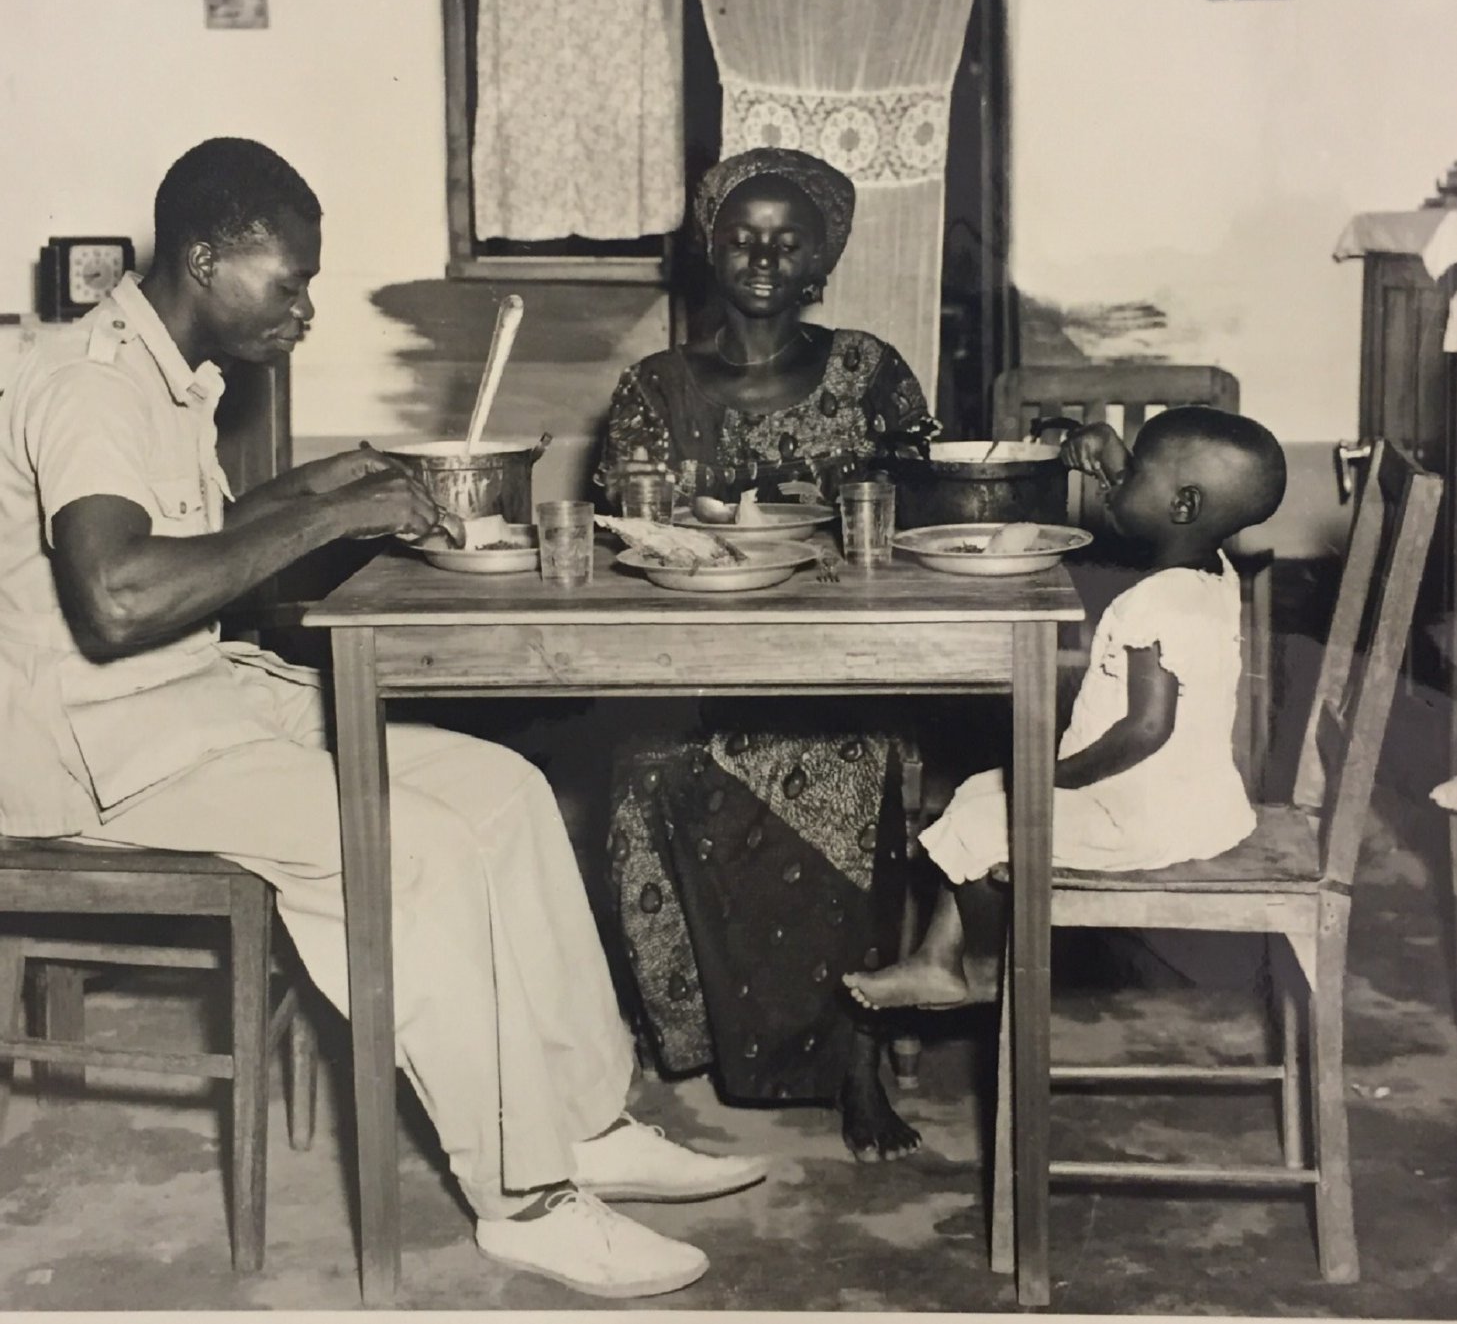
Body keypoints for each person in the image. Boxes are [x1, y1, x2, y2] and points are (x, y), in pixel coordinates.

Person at [0, 137, 768, 1300]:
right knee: (414, 850)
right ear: (205, 260)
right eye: (289, 279)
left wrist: (318, 487)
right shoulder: (89, 382)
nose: (303, 306)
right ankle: (526, 1201)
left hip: (192, 707)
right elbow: (117, 598)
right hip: (101, 750)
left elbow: (181, 543)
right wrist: (325, 518)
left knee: (502, 789)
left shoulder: (166, 372)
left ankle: (579, 1122)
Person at [595, 148, 936, 1162]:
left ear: (819, 258)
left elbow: (924, 507)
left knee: (851, 765)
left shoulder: (869, 371)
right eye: (743, 232)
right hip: (693, 668)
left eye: (788, 239)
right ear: (709, 246)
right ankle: (695, 1041)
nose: (761, 253)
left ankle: (853, 1054)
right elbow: (630, 526)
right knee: (640, 771)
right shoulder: (653, 386)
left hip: (844, 669)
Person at [844, 406, 1287, 1010]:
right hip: (1196, 805)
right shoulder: (1209, 575)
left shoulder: (1155, 603)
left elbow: (1148, 727)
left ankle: (976, 969)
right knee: (977, 794)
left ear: (1182, 505)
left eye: (1131, 475)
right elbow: (1148, 505)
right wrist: (1116, 462)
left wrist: (1053, 779)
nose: (1114, 483)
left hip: (1139, 818)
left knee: (980, 821)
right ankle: (936, 957)